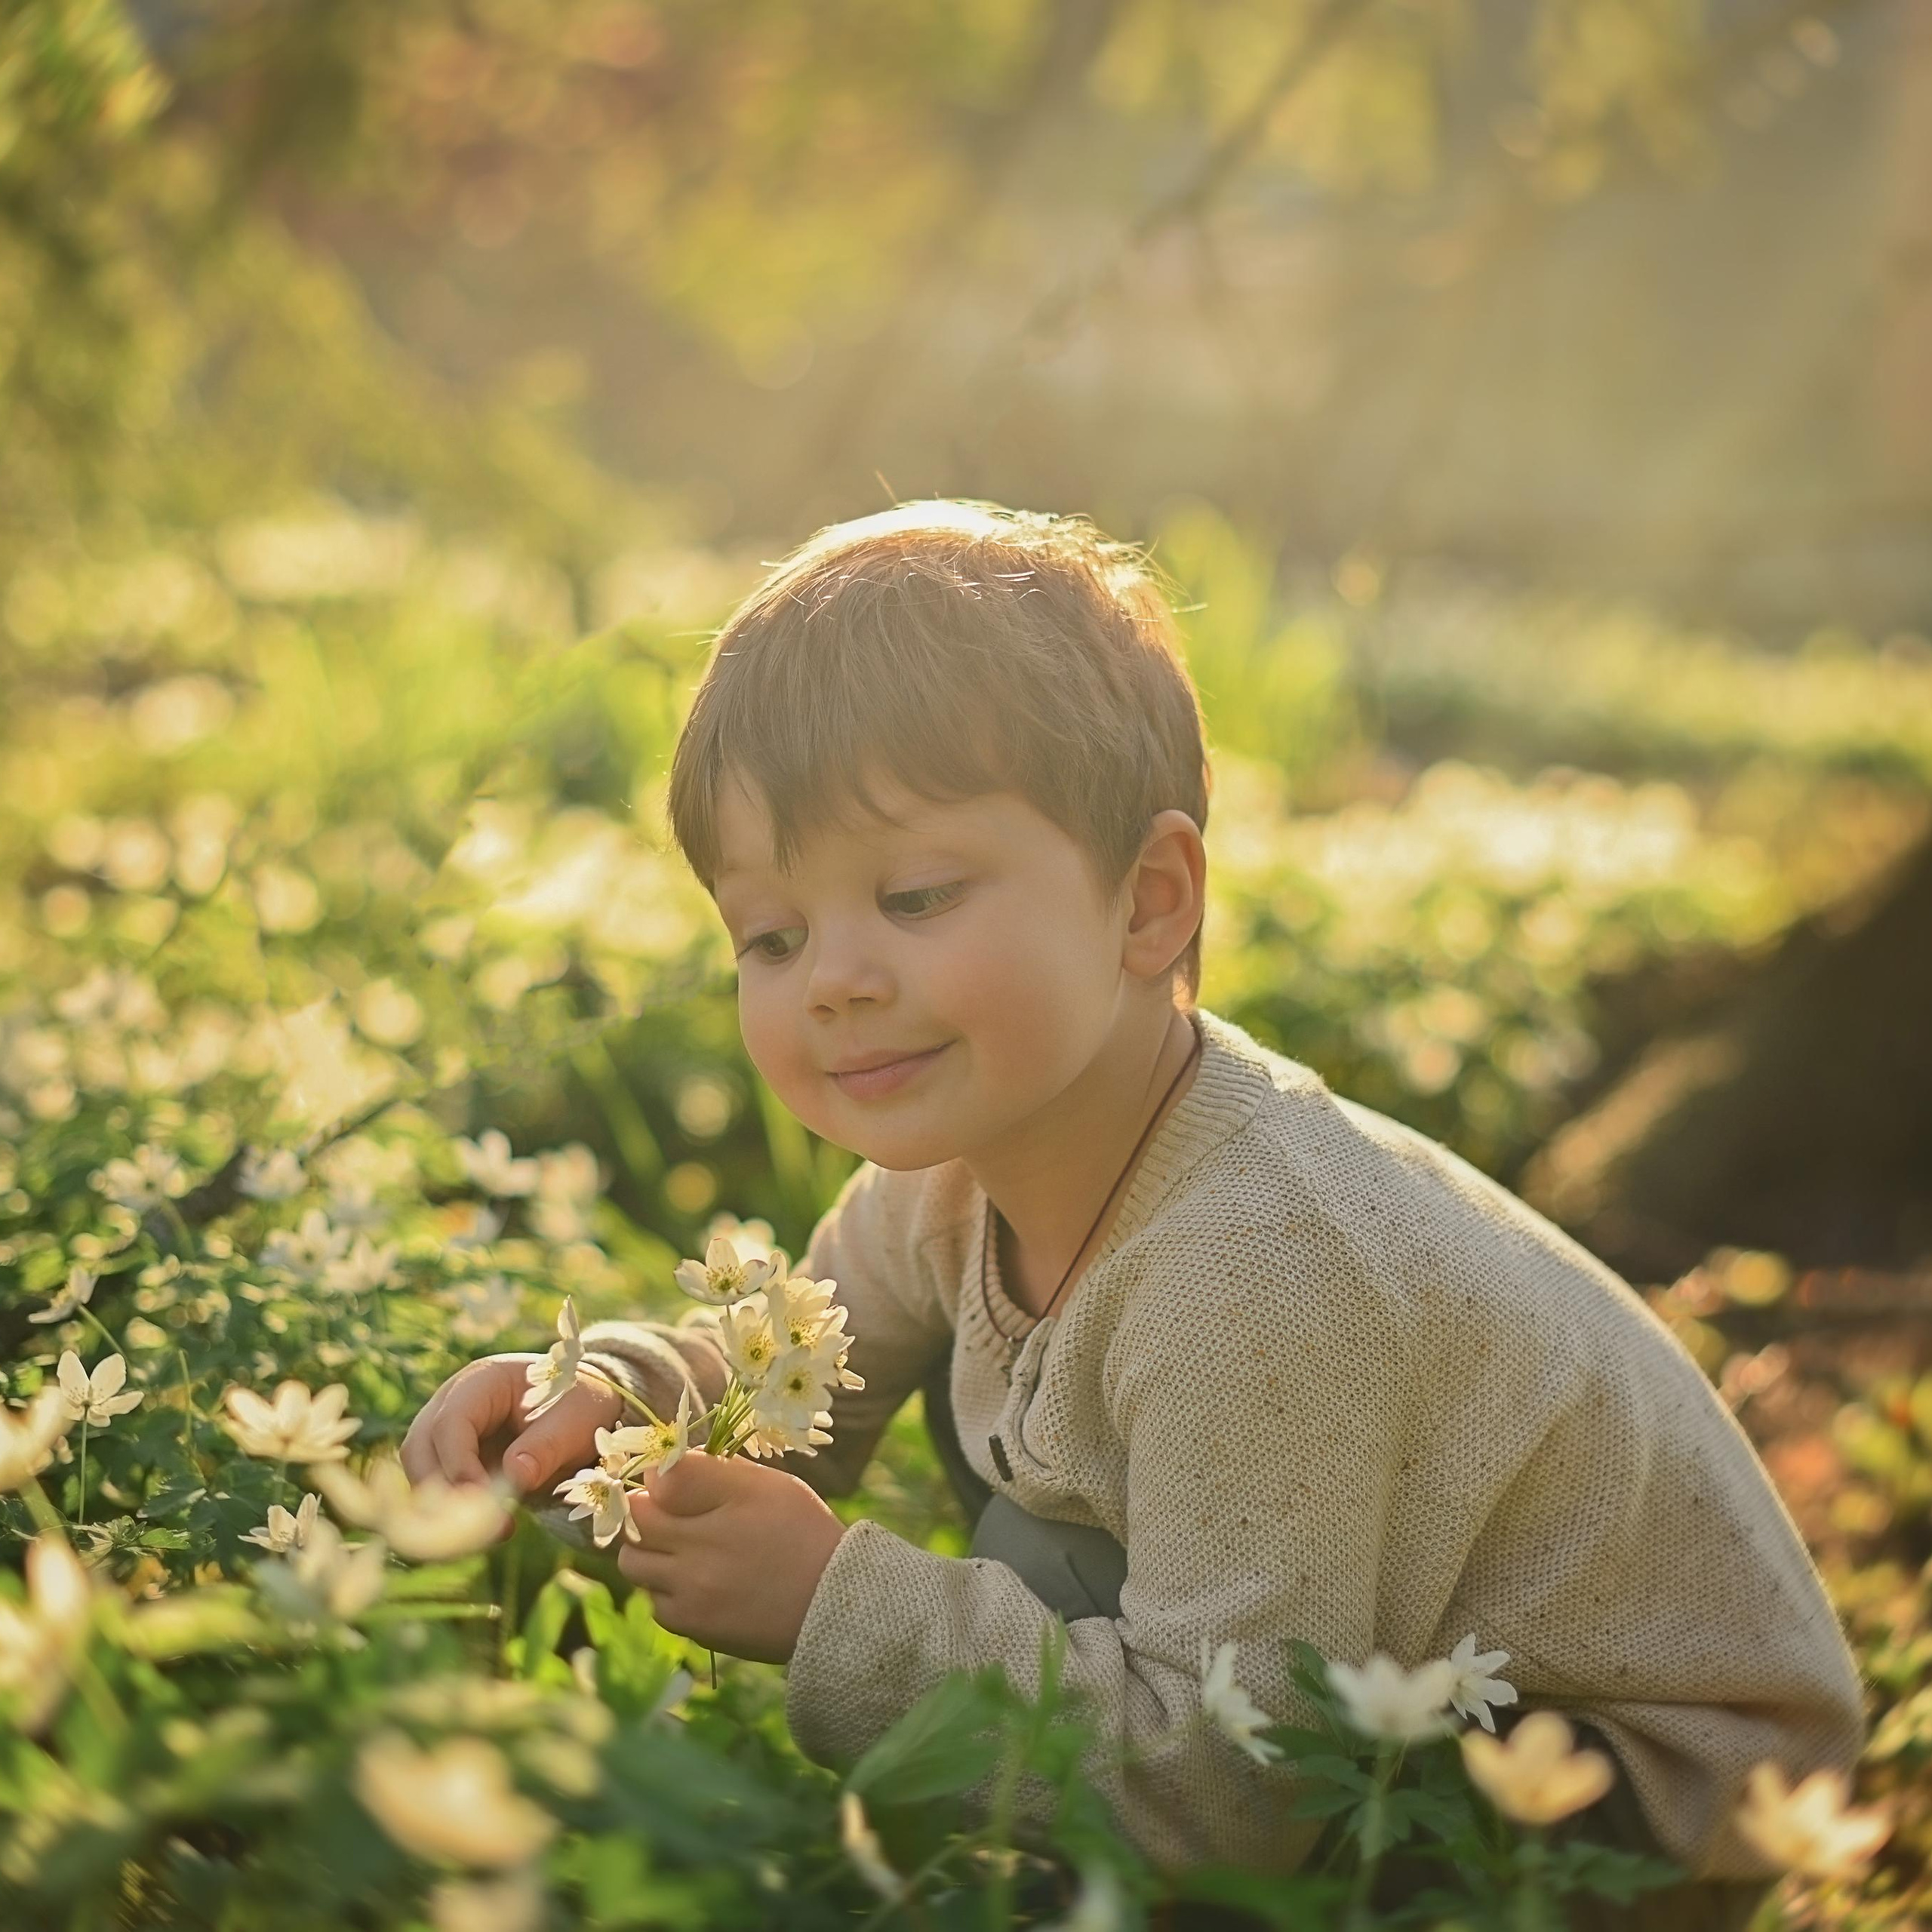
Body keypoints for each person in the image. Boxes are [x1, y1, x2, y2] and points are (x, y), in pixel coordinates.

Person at [401, 500, 1863, 1917]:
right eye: (770, 933)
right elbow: (786, 1379)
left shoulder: (1254, 1266)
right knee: (1056, 1595)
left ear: (1147, 901)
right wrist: (608, 1396)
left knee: (1199, 1822)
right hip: (1355, 1692)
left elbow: (1240, 1789)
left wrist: (832, 1604)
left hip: (1618, 1780)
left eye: (912, 896)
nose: (833, 974)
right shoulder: (946, 1167)